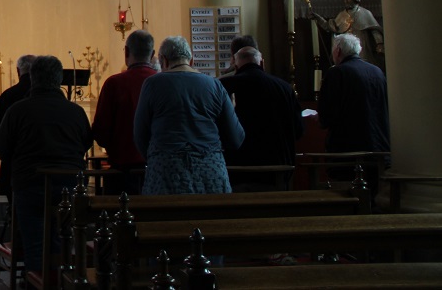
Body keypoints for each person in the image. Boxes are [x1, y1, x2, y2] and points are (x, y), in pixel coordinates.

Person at [0, 55, 91, 274]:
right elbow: (86, 142)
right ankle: (61, 279)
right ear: (59, 79)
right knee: (63, 240)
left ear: (33, 78)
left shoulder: (18, 111)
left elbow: (1, 147)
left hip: (30, 185)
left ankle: (37, 280)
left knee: (34, 245)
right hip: (69, 186)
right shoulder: (75, 112)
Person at [134, 36, 245, 195]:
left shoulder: (152, 84)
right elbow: (236, 138)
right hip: (210, 173)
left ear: (164, 60)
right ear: (191, 60)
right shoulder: (214, 85)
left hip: (165, 173)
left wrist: (158, 156)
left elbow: (140, 134)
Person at [220, 45, 303, 191]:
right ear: (262, 63)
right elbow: (298, 130)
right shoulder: (285, 88)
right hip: (278, 169)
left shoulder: (225, 86)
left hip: (237, 169)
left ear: (236, 66)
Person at [318, 32, 390, 198]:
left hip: (348, 152)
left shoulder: (337, 73)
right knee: (375, 196)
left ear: (338, 51)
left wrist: (321, 118)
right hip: (379, 150)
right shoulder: (377, 72)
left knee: (350, 198)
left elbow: (327, 116)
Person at [92, 30, 158, 195]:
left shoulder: (114, 84)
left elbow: (101, 132)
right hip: (157, 171)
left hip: (122, 173)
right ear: (152, 54)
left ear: (127, 52)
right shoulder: (163, 83)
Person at [0, 54, 36, 202]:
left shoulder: (9, 95)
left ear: (18, 71)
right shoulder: (54, 99)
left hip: (14, 167)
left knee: (14, 207)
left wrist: (7, 156)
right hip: (46, 171)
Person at [311, 0, 385, 72]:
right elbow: (330, 27)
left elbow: (374, 29)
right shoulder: (341, 15)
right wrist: (318, 18)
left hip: (362, 47)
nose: (346, 1)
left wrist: (379, 43)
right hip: (346, 52)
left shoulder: (365, 13)